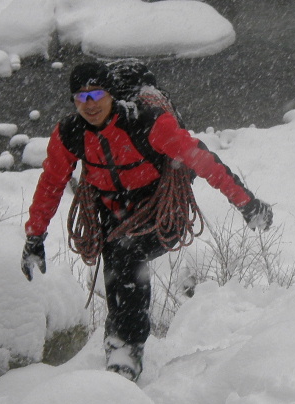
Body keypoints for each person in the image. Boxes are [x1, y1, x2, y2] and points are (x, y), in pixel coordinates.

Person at [21, 60, 273, 380]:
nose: (90, 104)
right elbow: (51, 183)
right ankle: (119, 339)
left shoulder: (148, 124)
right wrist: (34, 236)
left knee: (127, 253)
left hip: (163, 209)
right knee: (115, 256)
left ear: (111, 94)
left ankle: (127, 346)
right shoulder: (70, 133)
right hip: (111, 211)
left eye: (97, 94)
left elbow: (203, 160)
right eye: (81, 98)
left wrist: (247, 204)